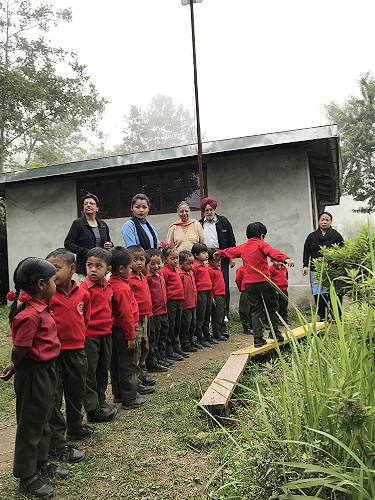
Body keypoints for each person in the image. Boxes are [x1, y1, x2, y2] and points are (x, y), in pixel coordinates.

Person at [1, 258, 68, 499]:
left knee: (46, 415)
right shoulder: (28, 315)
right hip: (33, 373)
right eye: (52, 280)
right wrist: (14, 365)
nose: (55, 283)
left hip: (48, 369)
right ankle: (26, 476)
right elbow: (20, 348)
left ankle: (42, 461)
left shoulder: (42, 308)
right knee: (31, 424)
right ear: (41, 284)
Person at [45, 249, 96, 466]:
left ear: (72, 269)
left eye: (55, 268)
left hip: (76, 351)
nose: (51, 273)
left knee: (76, 391)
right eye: (48, 269)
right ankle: (57, 442)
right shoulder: (47, 295)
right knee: (55, 398)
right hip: (54, 354)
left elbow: (86, 318)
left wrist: (78, 340)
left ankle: (75, 427)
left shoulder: (83, 293)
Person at [215, 222, 295, 347]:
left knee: (256, 310)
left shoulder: (243, 247)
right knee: (272, 306)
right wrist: (285, 258)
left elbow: (232, 251)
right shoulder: (261, 245)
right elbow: (272, 252)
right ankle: (274, 333)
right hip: (263, 281)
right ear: (262, 236)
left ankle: (258, 338)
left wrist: (219, 253)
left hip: (249, 285)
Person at [80, 247, 118, 423]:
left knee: (103, 369)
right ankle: (92, 409)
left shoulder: (107, 287)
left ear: (108, 269)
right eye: (89, 265)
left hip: (106, 334)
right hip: (90, 337)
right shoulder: (83, 290)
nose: (93, 269)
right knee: (90, 372)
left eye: (98, 266)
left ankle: (101, 401)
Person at [109, 246, 147, 410]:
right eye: (131, 264)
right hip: (124, 330)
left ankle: (119, 394)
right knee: (128, 363)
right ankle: (130, 398)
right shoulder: (123, 288)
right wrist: (131, 336)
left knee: (116, 363)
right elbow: (126, 315)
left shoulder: (110, 284)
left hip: (114, 330)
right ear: (122, 268)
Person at [302, 211, 344, 321]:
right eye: (322, 219)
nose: (324, 222)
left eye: (327, 220)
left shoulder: (336, 235)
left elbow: (343, 250)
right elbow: (307, 251)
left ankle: (336, 316)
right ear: (318, 221)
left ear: (331, 222)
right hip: (316, 270)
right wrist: (305, 265)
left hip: (333, 270)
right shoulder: (312, 236)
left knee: (335, 293)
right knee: (319, 294)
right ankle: (323, 316)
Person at [199, 197, 236, 320]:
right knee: (209, 285)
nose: (209, 212)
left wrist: (232, 257)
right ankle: (210, 313)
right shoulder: (200, 224)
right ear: (204, 211)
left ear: (214, 209)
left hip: (222, 257)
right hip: (206, 257)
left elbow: (231, 239)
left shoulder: (223, 221)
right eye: (206, 210)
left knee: (223, 284)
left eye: (211, 210)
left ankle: (224, 312)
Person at [127, 245, 155, 396]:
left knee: (145, 346)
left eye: (142, 260)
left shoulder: (142, 276)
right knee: (137, 350)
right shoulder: (129, 279)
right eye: (134, 260)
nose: (139, 263)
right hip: (136, 319)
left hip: (145, 317)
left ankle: (142, 373)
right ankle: (136, 380)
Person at [64, 193, 113, 280]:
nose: (88, 205)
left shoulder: (103, 225)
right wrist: (85, 252)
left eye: (91, 203)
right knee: (87, 292)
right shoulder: (78, 224)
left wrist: (110, 245)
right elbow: (68, 243)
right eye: (86, 204)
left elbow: (109, 242)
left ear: (97, 208)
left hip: (102, 267)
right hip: (85, 267)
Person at [146, 248, 171, 369]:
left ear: (162, 262)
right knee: (154, 337)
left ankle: (162, 356)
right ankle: (154, 360)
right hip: (154, 312)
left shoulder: (161, 275)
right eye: (152, 263)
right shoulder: (148, 277)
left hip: (164, 310)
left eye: (158, 263)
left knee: (163, 334)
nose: (156, 266)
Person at [161, 245, 187, 361]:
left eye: (177, 258)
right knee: (170, 326)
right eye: (173, 258)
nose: (176, 260)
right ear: (165, 259)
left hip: (178, 301)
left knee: (177, 324)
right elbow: (164, 288)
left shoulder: (175, 269)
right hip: (171, 302)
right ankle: (169, 350)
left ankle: (176, 347)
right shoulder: (164, 271)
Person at [192, 242, 216, 347]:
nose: (206, 254)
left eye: (206, 252)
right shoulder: (195, 266)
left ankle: (206, 334)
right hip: (200, 293)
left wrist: (211, 296)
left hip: (208, 291)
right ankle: (199, 336)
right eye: (203, 252)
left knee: (207, 313)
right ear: (196, 255)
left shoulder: (205, 265)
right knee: (200, 315)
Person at [178, 250, 199, 352]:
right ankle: (185, 343)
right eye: (189, 263)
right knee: (186, 324)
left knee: (192, 323)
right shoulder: (180, 275)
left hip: (193, 303)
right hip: (185, 304)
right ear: (181, 263)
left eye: (192, 263)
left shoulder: (190, 273)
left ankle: (191, 340)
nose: (191, 266)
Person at [207, 249, 228, 341]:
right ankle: (217, 333)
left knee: (222, 312)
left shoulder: (217, 269)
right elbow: (210, 285)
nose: (219, 262)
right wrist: (211, 297)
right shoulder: (210, 271)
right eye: (216, 261)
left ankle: (222, 330)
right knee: (217, 315)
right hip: (216, 295)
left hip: (222, 293)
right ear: (210, 261)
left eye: (219, 260)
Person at [269, 258, 291, 326]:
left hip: (284, 289)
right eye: (276, 260)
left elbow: (286, 277)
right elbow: (269, 279)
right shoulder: (271, 269)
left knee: (284, 304)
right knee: (276, 305)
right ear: (272, 261)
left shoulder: (285, 268)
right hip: (275, 289)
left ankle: (284, 319)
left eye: (279, 259)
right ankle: (276, 320)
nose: (278, 261)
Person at [235, 264, 253, 335]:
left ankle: (253, 325)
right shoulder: (241, 268)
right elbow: (238, 279)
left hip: (254, 291)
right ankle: (246, 327)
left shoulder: (255, 267)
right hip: (245, 290)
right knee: (245, 310)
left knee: (254, 309)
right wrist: (241, 288)